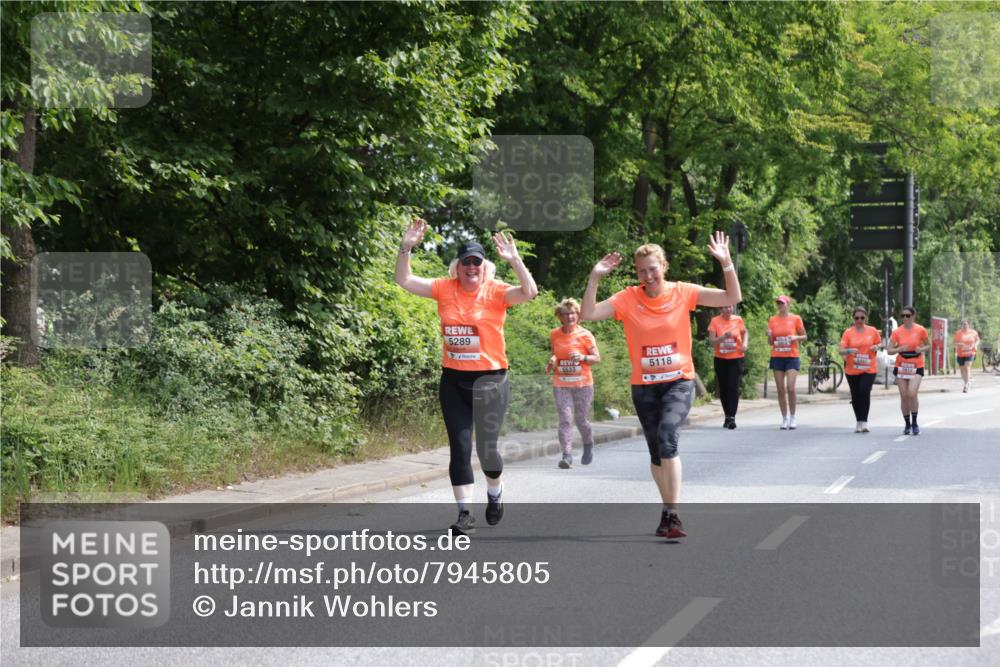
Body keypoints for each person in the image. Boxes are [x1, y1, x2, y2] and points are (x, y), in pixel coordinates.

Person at [581, 232, 741, 539]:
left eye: (653, 268)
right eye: (642, 271)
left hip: (679, 381)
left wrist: (726, 262)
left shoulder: (683, 292)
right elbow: (589, 313)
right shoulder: (628, 298)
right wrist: (595, 277)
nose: (648, 275)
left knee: (669, 437)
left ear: (663, 266)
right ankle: (666, 509)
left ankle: (674, 513)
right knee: (656, 453)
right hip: (644, 387)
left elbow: (730, 298)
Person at [395, 217, 537, 534]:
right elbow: (404, 280)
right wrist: (406, 247)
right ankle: (464, 514)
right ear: (456, 268)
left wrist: (515, 261)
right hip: (454, 380)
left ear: (484, 268)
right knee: (459, 447)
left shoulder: (497, 291)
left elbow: (529, 292)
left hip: (491, 380)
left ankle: (495, 494)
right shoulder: (444, 289)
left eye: (477, 263)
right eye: (466, 263)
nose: (471, 268)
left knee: (487, 450)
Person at [546, 298, 600, 468]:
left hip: (583, 384)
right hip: (561, 383)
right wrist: (552, 361)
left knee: (581, 420)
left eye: (573, 313)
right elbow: (556, 354)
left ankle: (588, 444)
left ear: (578, 315)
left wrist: (583, 357)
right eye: (566, 314)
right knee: (565, 419)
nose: (570, 317)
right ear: (560, 317)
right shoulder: (554, 334)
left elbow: (597, 358)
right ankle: (567, 456)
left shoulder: (585, 335)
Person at [886, 305, 930, 435]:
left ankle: (915, 423)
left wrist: (920, 349)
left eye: (908, 315)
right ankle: (907, 424)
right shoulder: (897, 332)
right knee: (904, 396)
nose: (905, 318)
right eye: (903, 316)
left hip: (916, 364)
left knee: (912, 393)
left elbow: (929, 345)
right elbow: (889, 350)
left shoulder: (921, 330)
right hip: (901, 365)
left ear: (913, 316)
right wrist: (899, 349)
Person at [839, 307, 882, 433]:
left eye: (862, 318)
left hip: (869, 368)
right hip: (852, 368)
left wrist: (876, 347)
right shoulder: (848, 332)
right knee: (855, 395)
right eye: (857, 318)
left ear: (866, 318)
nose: (859, 320)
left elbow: (880, 344)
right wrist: (848, 350)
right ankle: (858, 421)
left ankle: (864, 422)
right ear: (853, 319)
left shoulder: (872, 331)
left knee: (864, 391)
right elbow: (841, 350)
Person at [767, 296, 807, 430]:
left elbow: (804, 336)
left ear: (787, 304)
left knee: (790, 387)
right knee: (780, 389)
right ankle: (784, 418)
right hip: (777, 356)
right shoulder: (772, 320)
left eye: (782, 303)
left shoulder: (795, 318)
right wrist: (769, 335)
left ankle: (793, 417)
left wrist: (795, 337)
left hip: (791, 356)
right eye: (778, 303)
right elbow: (771, 342)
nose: (780, 306)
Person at [707, 304, 748, 429]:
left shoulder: (738, 319)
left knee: (733, 387)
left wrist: (745, 344)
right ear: (720, 309)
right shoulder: (715, 321)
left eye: (730, 307)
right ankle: (727, 415)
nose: (728, 309)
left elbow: (745, 333)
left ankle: (732, 417)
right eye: (725, 307)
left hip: (736, 358)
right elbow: (711, 341)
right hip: (720, 359)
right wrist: (723, 337)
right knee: (724, 389)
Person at [952, 320, 980, 392]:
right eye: (963, 325)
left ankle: (966, 385)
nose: (965, 326)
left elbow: (978, 340)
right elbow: (954, 343)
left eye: (966, 325)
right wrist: (960, 344)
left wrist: (975, 345)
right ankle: (966, 382)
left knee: (967, 367)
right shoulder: (958, 333)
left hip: (970, 352)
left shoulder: (973, 332)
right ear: (961, 326)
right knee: (962, 369)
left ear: (968, 325)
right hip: (961, 353)